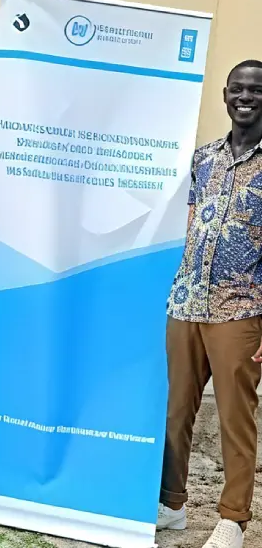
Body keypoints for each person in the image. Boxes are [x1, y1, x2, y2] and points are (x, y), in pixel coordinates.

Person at [157, 60, 262, 548]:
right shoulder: (203, 158)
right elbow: (191, 226)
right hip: (186, 303)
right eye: (237, 89)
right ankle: (172, 504)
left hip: (240, 309)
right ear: (224, 95)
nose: (245, 96)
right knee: (176, 409)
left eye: (256, 90)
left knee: (233, 414)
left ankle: (233, 519)